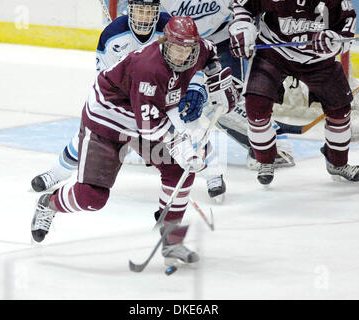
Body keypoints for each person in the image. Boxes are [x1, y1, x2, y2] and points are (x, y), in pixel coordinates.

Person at [30, 16, 238, 267]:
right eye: (176, 48)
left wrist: (216, 81)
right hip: (108, 119)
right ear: (164, 43)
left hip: (146, 117)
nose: (183, 54)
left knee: (179, 171)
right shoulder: (149, 69)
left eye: (187, 48)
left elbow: (211, 52)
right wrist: (180, 144)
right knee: (91, 198)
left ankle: (171, 239)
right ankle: (49, 203)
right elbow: (150, 128)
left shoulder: (197, 48)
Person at [30, 0, 220, 201]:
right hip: (127, 102)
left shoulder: (170, 27)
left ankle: (214, 173)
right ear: (129, 9)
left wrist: (195, 87)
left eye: (150, 11)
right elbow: (105, 76)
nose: (145, 17)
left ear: (157, 10)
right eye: (140, 11)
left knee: (191, 127)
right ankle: (57, 173)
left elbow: (193, 57)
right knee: (94, 135)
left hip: (165, 97)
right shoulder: (112, 35)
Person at [161, 0, 296, 200]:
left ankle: (268, 143)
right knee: (180, 99)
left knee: (224, 99)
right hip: (181, 47)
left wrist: (250, 32)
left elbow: (250, 9)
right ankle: (158, 146)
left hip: (223, 40)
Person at [229, 0, 359, 185]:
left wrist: (335, 41)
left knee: (340, 112)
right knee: (256, 108)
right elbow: (242, 6)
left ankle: (337, 162)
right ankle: (266, 160)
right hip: (274, 53)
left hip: (319, 59)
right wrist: (243, 27)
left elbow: (347, 24)